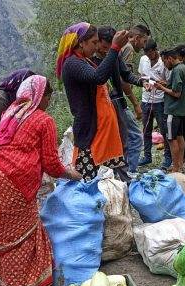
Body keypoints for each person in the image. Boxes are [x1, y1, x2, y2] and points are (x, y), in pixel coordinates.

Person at [0, 75, 82, 286]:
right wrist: (71, 174)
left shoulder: (11, 112)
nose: (48, 102)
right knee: (24, 236)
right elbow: (52, 164)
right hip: (14, 181)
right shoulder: (43, 120)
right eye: (48, 96)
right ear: (40, 96)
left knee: (4, 235)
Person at [56, 22, 131, 181]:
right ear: (80, 42)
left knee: (103, 178)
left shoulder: (85, 61)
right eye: (94, 42)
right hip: (89, 131)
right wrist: (115, 48)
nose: (97, 47)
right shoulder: (72, 64)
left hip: (98, 129)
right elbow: (98, 78)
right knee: (88, 180)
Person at [95, 26, 146, 176]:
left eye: (109, 47)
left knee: (126, 138)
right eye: (104, 47)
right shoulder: (91, 61)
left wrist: (141, 82)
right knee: (113, 141)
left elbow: (126, 75)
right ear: (98, 43)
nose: (106, 51)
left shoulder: (115, 55)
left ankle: (127, 173)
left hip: (118, 102)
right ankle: (116, 174)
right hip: (104, 107)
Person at [154, 48, 185, 173]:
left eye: (164, 62)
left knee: (171, 139)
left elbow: (176, 93)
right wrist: (164, 83)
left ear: (169, 58)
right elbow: (177, 85)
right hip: (181, 110)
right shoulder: (184, 68)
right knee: (179, 136)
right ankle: (179, 164)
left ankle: (175, 168)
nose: (164, 64)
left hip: (173, 110)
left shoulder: (176, 70)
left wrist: (161, 88)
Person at [138, 39, 171, 169]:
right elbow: (141, 75)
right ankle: (147, 156)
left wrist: (157, 84)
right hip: (146, 99)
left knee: (164, 130)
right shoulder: (143, 60)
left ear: (155, 50)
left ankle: (167, 157)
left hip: (160, 101)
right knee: (146, 129)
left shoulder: (163, 62)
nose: (149, 56)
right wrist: (145, 83)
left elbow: (168, 81)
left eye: (151, 53)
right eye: (146, 54)